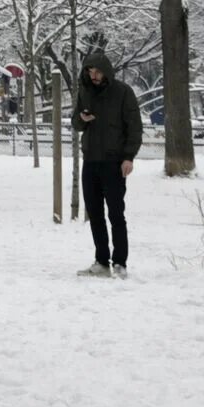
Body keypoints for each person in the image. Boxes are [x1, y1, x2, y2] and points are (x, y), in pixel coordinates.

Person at [75, 49, 142, 278]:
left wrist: (128, 157)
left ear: (106, 72)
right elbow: (76, 122)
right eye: (90, 71)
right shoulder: (84, 91)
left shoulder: (123, 92)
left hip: (114, 163)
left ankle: (120, 262)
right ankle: (101, 261)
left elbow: (134, 127)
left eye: (97, 71)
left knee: (116, 213)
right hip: (90, 160)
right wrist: (81, 120)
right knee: (94, 213)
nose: (93, 75)